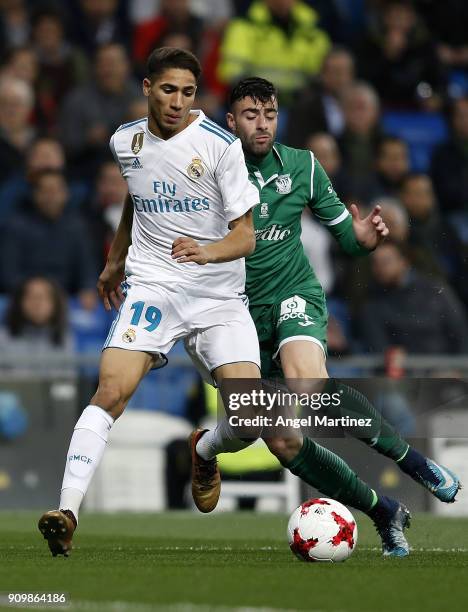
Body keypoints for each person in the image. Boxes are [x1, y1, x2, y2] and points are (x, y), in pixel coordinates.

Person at [198, 76, 460, 556]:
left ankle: (415, 463)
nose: (262, 124)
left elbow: (346, 236)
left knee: (309, 382)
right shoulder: (207, 172)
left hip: (292, 295)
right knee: (280, 440)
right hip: (233, 316)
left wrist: (363, 237)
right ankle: (383, 511)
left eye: (270, 114)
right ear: (230, 120)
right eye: (251, 115)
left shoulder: (303, 166)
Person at [37, 47, 261, 557]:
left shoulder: (221, 147)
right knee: (111, 390)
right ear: (146, 88)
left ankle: (204, 452)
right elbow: (138, 198)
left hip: (217, 292)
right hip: (153, 285)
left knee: (248, 419)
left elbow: (245, 236)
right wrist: (117, 259)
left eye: (187, 92)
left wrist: (205, 253)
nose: (178, 102)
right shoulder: (125, 141)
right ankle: (66, 512)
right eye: (167, 90)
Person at [361, 239, 468, 355]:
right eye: (375, 263)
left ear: (404, 262)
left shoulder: (435, 291)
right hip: (404, 370)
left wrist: (457, 370)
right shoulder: (372, 303)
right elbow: (379, 347)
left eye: (385, 262)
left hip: (446, 368)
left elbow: (461, 332)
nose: (379, 268)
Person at [0, 276, 75, 376]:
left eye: (44, 297)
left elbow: (67, 382)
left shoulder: (65, 339)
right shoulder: (3, 338)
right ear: (20, 302)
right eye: (31, 297)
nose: (37, 303)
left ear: (55, 304)